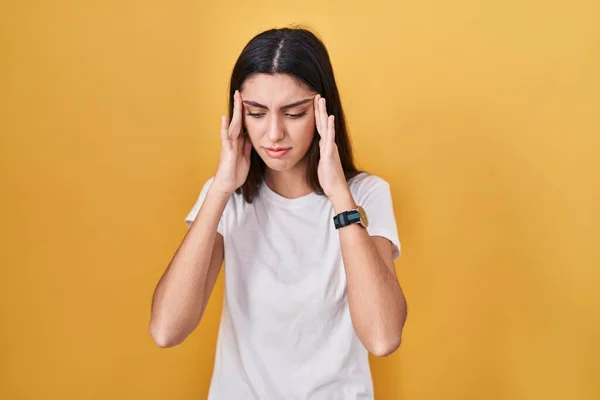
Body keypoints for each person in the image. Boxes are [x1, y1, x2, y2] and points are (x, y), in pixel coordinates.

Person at [149, 26, 408, 399]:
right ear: (238, 114)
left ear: (323, 113)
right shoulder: (228, 198)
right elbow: (166, 330)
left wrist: (338, 194)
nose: (273, 134)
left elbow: (382, 337)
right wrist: (221, 188)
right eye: (256, 113)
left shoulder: (365, 194)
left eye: (294, 113)